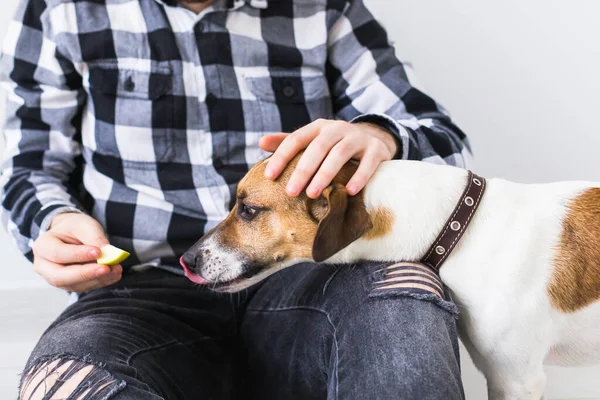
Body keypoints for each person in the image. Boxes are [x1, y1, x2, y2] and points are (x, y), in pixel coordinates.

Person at [0, 0, 471, 398]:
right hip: (140, 290)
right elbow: (27, 168)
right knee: (66, 384)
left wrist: (380, 136)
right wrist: (52, 222)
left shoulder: (325, 8)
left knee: (406, 303)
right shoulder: (57, 10)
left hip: (310, 278)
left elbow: (445, 143)